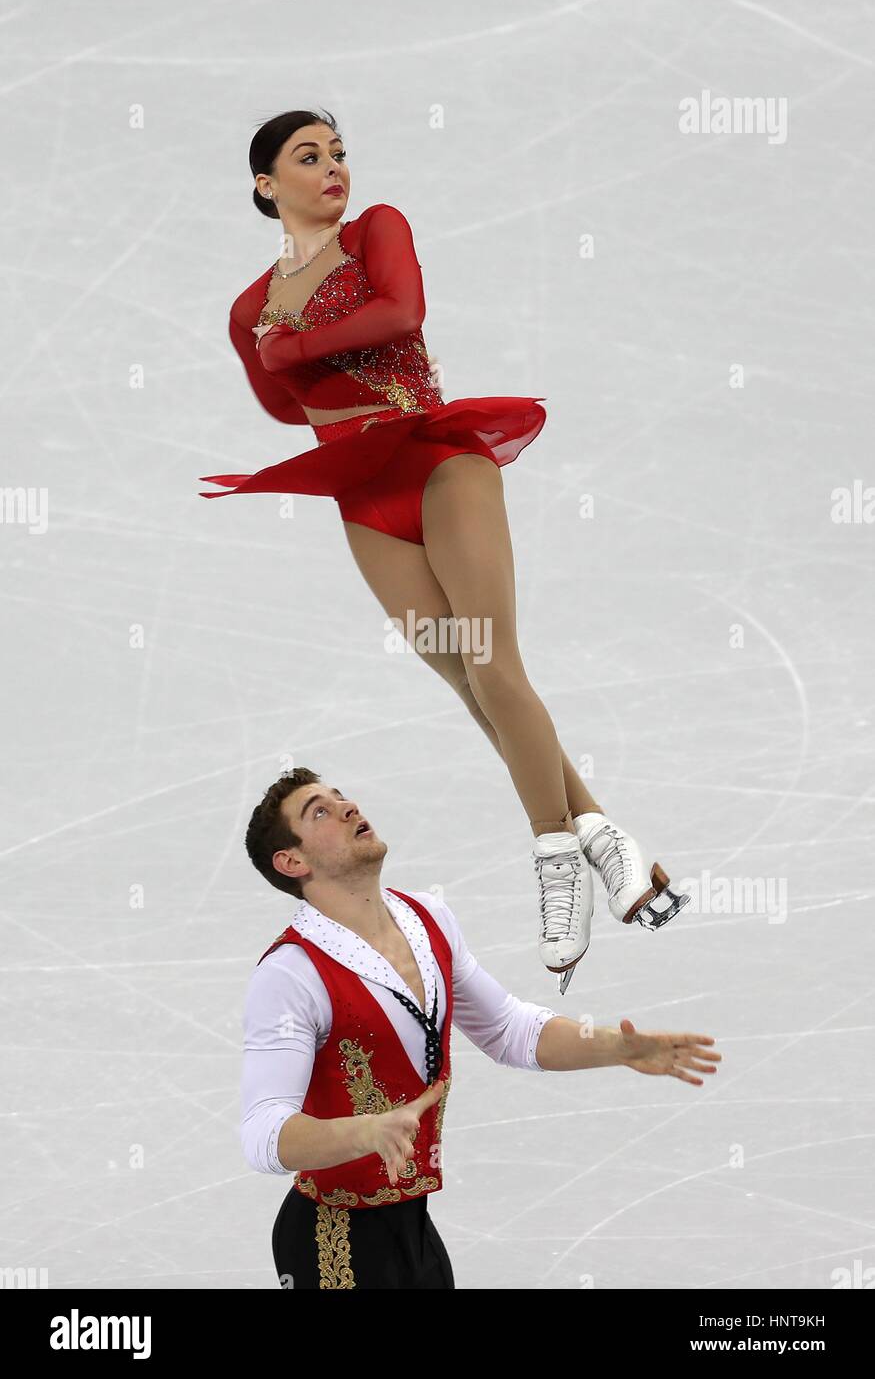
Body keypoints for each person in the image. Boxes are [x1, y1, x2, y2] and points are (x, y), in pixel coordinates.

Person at [203, 108, 689, 994]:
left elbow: (401, 309)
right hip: (360, 492)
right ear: (266, 184)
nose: (332, 168)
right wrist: (289, 353)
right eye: (307, 158)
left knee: (494, 662)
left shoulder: (375, 233)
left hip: (436, 462)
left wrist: (299, 343)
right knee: (464, 679)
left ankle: (556, 871)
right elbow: (279, 403)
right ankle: (605, 839)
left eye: (338, 153)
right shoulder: (248, 305)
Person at [240, 767, 722, 1290]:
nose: (348, 806)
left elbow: (508, 1030)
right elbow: (263, 1131)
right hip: (330, 1241)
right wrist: (363, 1131)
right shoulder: (291, 973)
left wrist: (617, 1047)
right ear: (292, 861)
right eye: (320, 811)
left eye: (341, 796)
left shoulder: (429, 919)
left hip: (415, 1229)